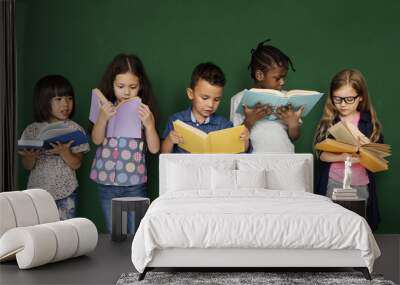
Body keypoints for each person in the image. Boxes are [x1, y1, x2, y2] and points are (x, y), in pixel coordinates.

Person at [89, 54, 160, 233]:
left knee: (137, 233)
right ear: (112, 84)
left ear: (141, 85)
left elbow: (154, 148)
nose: (126, 92)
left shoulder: (143, 111)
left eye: (132, 87)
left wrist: (150, 125)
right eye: (120, 86)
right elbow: (97, 140)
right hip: (106, 183)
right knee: (116, 234)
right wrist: (103, 118)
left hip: (134, 184)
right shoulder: (106, 107)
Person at [314, 69, 383, 230]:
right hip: (333, 182)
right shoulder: (329, 121)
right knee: (333, 226)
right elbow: (321, 154)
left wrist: (360, 141)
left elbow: (378, 157)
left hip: (361, 184)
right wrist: (343, 156)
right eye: (338, 99)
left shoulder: (369, 123)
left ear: (360, 98)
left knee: (358, 226)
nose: (343, 104)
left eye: (349, 99)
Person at [18, 75, 90, 220]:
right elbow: (27, 166)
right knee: (39, 231)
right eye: (58, 99)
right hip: (37, 193)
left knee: (64, 232)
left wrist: (65, 152)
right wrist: (29, 157)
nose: (65, 104)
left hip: (66, 191)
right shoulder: (32, 130)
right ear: (44, 101)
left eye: (69, 98)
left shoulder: (74, 129)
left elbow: (76, 164)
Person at [230, 39, 304, 153]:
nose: (282, 82)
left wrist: (293, 123)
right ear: (259, 75)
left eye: (284, 77)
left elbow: (294, 137)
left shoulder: (286, 99)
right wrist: (250, 120)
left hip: (286, 160)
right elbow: (235, 139)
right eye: (278, 78)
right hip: (254, 163)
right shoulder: (239, 99)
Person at [161, 62, 250, 153]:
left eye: (216, 99)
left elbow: (239, 152)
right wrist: (169, 140)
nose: (211, 105)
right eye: (205, 98)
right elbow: (164, 154)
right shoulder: (176, 120)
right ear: (191, 94)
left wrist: (245, 141)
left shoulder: (224, 125)